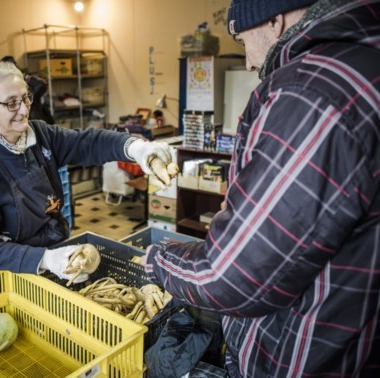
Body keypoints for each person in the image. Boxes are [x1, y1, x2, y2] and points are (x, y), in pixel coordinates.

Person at [140, 0, 380, 376]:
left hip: (297, 358)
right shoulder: (362, 64)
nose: (250, 63)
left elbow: (230, 276)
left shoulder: (312, 91)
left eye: (241, 41)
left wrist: (159, 260)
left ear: (274, 17)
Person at [0, 61, 175, 283]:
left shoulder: (40, 134)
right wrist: (46, 259)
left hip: (57, 250)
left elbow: (88, 143)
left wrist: (136, 148)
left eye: (25, 98)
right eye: (11, 103)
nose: (23, 110)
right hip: (14, 271)